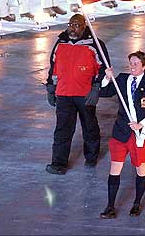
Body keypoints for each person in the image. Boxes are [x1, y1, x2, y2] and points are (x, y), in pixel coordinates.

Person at [99, 51, 145, 219]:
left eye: (135, 64)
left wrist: (141, 124)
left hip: (140, 134)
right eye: (130, 63)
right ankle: (110, 206)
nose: (132, 66)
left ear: (144, 67)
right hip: (121, 132)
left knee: (140, 169)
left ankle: (136, 203)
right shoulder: (121, 79)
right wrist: (107, 77)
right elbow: (103, 92)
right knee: (115, 169)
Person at [45, 14, 110, 175]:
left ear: (84, 26)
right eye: (70, 24)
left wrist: (96, 89)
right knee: (62, 129)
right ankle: (58, 163)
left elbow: (104, 68)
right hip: (64, 93)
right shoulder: (61, 42)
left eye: (76, 25)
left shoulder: (95, 44)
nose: (72, 28)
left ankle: (91, 156)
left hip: (85, 94)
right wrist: (51, 88)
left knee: (89, 127)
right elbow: (53, 67)